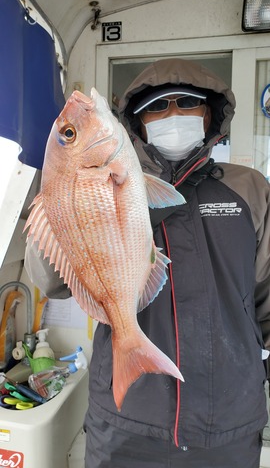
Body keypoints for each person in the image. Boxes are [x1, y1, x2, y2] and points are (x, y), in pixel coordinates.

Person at [25, 58, 270, 468]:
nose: (172, 115)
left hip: (229, 420)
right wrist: (57, 201)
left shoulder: (249, 188)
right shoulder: (115, 179)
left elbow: (266, 294)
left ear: (209, 113)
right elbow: (51, 282)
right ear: (136, 123)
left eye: (186, 103)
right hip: (125, 420)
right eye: (157, 106)